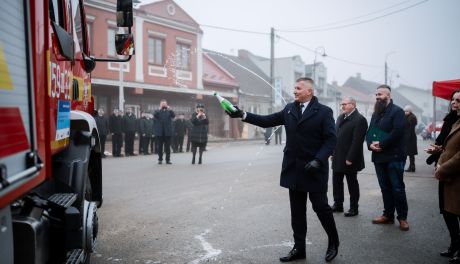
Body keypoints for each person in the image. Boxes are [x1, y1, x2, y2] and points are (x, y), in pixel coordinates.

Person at [226, 77, 339, 263]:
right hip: (293, 168)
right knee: (297, 212)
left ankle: (333, 242)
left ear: (310, 91)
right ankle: (299, 248)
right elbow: (266, 120)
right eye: (294, 88)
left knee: (321, 207)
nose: (294, 91)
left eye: (298, 88)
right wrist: (242, 114)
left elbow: (330, 140)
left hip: (314, 169)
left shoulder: (324, 112)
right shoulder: (289, 109)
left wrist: (319, 160)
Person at [366, 84, 409, 231]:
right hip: (379, 156)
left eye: (380, 94)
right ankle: (388, 215)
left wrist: (381, 144)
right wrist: (370, 144)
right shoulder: (376, 113)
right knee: (385, 188)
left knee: (397, 188)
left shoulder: (397, 111)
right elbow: (370, 131)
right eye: (376, 95)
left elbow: (397, 132)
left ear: (388, 96)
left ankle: (402, 218)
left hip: (395, 156)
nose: (377, 97)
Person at [428, 90, 460, 261]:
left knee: (456, 211)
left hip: (454, 175)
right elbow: (450, 147)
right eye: (453, 100)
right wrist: (438, 151)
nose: (454, 103)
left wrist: (443, 167)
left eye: (458, 100)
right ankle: (454, 245)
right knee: (447, 211)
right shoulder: (454, 121)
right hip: (446, 175)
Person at [331, 97, 368, 217]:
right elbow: (335, 136)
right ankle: (338, 204)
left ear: (353, 104)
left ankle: (354, 208)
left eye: (345, 104)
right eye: (341, 104)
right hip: (338, 156)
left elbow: (357, 141)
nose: (342, 106)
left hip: (350, 158)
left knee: (352, 183)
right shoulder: (341, 117)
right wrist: (332, 152)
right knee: (336, 181)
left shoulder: (360, 119)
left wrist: (350, 158)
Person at [154, 99, 175, 164]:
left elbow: (173, 116)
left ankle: (167, 160)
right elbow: (155, 115)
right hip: (160, 133)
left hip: (167, 133)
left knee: (167, 147)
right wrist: (160, 109)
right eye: (162, 104)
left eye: (164, 104)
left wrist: (170, 109)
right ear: (160, 104)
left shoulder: (169, 111)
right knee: (159, 147)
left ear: (166, 104)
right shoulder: (157, 111)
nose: (163, 105)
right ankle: (160, 159)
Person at [404, 105, 418, 172]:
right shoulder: (408, 117)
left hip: (410, 138)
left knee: (410, 153)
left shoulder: (411, 118)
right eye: (405, 111)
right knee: (410, 154)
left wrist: (407, 138)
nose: (405, 112)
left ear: (410, 111)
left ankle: (412, 167)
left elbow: (410, 130)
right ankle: (412, 167)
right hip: (410, 137)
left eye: (407, 111)